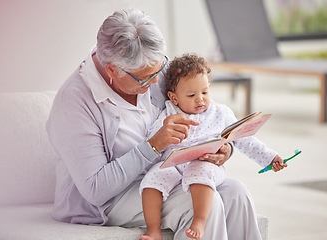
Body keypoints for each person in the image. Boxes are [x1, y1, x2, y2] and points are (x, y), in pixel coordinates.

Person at [46, 9, 286, 240]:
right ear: (112, 70)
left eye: (159, 70)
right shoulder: (75, 102)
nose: (155, 82)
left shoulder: (152, 68)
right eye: (146, 78)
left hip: (169, 174)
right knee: (201, 207)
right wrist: (153, 145)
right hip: (109, 200)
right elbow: (96, 190)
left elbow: (204, 114)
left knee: (236, 194)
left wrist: (223, 150)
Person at [139, 53, 286, 240]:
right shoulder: (169, 112)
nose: (200, 99)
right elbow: (153, 136)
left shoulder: (220, 113)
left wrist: (270, 158)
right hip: (174, 166)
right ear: (174, 98)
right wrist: (161, 137)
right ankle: (153, 230)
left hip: (205, 163)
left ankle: (200, 220)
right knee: (152, 180)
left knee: (199, 172)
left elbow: (245, 139)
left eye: (205, 92)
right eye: (191, 95)